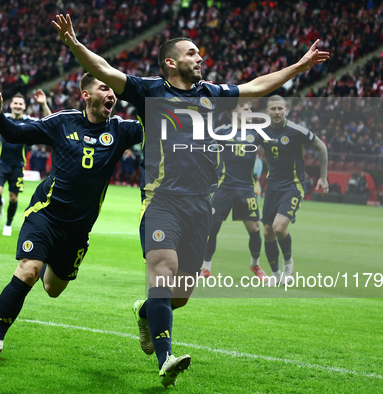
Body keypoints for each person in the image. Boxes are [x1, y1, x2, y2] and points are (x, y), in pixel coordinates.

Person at [53, 14, 329, 387]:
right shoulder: (150, 91)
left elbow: (257, 86)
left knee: (178, 297)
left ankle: (144, 312)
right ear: (171, 61)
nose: (200, 58)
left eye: (200, 54)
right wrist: (73, 43)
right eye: (192, 53)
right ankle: (166, 360)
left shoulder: (212, 94)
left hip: (202, 204)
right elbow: (102, 67)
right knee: (162, 272)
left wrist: (300, 65)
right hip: (162, 200)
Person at [0, 75, 142, 364]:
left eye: (113, 89)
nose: (111, 94)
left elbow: (167, 124)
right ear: (85, 95)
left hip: (78, 229)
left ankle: (46, 259)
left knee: (53, 289)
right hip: (46, 214)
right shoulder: (62, 121)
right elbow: (16, 133)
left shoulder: (122, 130)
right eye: (103, 87)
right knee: (28, 271)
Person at [260, 95, 328, 286]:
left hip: (293, 185)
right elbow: (264, 153)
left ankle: (288, 262)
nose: (277, 112)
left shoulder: (296, 130)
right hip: (273, 186)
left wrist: (323, 177)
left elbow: (321, 147)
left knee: (279, 227)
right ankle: (275, 275)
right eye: (273, 109)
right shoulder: (262, 132)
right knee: (267, 232)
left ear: (286, 110)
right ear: (267, 112)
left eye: (280, 109)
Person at [199, 101, 267, 282]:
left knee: (254, 228)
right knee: (212, 228)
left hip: (246, 189)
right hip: (224, 187)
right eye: (246, 108)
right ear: (233, 112)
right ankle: (206, 268)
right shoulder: (221, 132)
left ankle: (255, 264)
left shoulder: (256, 133)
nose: (250, 111)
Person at [0, 90, 52, 236]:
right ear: (10, 105)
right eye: (15, 103)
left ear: (24, 107)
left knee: (13, 197)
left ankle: (8, 224)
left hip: (18, 165)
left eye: (20, 104)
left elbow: (50, 122)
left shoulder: (28, 120)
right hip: (2, 163)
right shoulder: (3, 117)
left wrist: (44, 104)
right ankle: (0, 203)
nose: (17, 106)